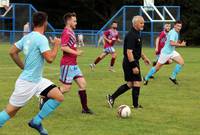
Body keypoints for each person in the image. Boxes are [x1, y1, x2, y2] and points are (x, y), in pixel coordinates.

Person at [0, 12, 64, 135]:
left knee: (59, 96)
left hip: (38, 80)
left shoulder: (27, 37)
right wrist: (56, 45)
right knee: (10, 112)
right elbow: (50, 59)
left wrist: (23, 67)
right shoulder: (41, 38)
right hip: (27, 83)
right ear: (45, 23)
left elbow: (12, 52)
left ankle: (36, 121)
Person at [106, 16, 151, 109]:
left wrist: (144, 58)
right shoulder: (131, 35)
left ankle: (112, 97)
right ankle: (135, 106)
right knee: (137, 82)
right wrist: (134, 66)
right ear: (135, 24)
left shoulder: (137, 33)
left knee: (131, 84)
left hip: (133, 61)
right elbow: (129, 52)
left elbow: (138, 49)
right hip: (130, 61)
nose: (143, 25)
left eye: (143, 23)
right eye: (141, 23)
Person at [59, 12, 93, 114]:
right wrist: (76, 52)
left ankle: (85, 109)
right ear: (68, 21)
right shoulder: (66, 32)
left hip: (74, 65)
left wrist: (76, 50)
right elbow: (63, 47)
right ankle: (45, 96)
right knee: (65, 88)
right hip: (67, 64)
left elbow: (69, 46)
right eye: (74, 21)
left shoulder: (71, 32)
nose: (76, 23)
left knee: (83, 84)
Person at [143, 20, 186, 85]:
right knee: (157, 68)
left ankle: (172, 77)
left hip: (171, 52)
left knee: (181, 62)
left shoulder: (175, 32)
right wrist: (181, 45)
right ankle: (146, 78)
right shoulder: (173, 32)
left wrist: (178, 43)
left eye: (180, 26)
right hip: (165, 53)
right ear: (174, 26)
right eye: (178, 26)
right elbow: (171, 43)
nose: (179, 28)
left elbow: (170, 42)